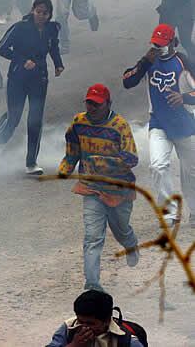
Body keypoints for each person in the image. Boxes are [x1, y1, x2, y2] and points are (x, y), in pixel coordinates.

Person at [58, 84, 140, 292]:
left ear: (108, 104)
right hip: (91, 188)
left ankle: (130, 244)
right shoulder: (79, 122)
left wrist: (103, 163)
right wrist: (66, 167)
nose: (92, 108)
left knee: (121, 229)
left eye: (97, 104)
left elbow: (131, 158)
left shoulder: (120, 125)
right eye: (89, 103)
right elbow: (73, 148)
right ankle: (92, 284)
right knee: (93, 237)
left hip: (118, 190)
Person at [122, 24, 195, 228]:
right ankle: (169, 212)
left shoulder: (183, 61)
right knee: (157, 165)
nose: (159, 47)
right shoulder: (148, 62)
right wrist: (145, 61)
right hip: (159, 124)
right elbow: (127, 81)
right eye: (156, 44)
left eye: (163, 44)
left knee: (191, 171)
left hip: (186, 124)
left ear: (174, 43)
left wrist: (184, 98)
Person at [0, 0, 64, 175]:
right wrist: (22, 60)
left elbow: (53, 47)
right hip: (18, 78)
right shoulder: (19, 28)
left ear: (49, 15)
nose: (41, 16)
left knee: (35, 120)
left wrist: (58, 64)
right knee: (14, 118)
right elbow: (1, 47)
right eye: (38, 12)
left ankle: (31, 163)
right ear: (33, 10)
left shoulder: (52, 29)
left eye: (45, 13)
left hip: (39, 79)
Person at [46, 290, 145, 347]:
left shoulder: (125, 340)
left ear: (106, 321)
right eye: (80, 321)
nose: (84, 328)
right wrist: (74, 345)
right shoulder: (69, 328)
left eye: (90, 324)